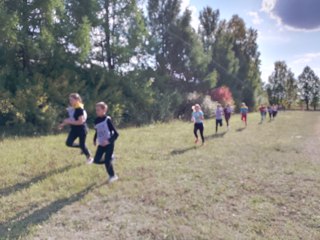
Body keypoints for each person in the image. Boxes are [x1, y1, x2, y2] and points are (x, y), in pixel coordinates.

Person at [59, 93, 93, 163]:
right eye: (69, 100)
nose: (70, 101)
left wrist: (68, 122)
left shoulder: (79, 109)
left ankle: (89, 158)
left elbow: (80, 122)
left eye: (72, 100)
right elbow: (71, 119)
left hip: (82, 130)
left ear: (77, 100)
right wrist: (63, 124)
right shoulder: (73, 108)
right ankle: (84, 148)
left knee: (82, 145)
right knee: (68, 143)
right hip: (74, 130)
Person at [91, 102, 119, 184]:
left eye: (98, 110)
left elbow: (116, 134)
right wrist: (94, 139)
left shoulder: (107, 120)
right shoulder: (96, 120)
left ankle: (113, 176)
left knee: (107, 160)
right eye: (96, 110)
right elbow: (97, 131)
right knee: (96, 160)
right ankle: (110, 158)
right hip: (101, 144)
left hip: (109, 143)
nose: (97, 111)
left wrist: (109, 141)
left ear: (104, 110)